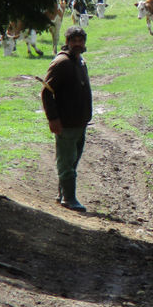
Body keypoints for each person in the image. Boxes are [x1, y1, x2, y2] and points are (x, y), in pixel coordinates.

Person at [41, 26, 92, 212]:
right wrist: (53, 118)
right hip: (66, 123)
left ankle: (63, 194)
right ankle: (69, 199)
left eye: (81, 40)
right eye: (74, 40)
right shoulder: (61, 63)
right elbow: (46, 92)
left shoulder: (79, 61)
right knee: (66, 162)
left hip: (80, 122)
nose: (78, 44)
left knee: (73, 160)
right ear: (67, 41)